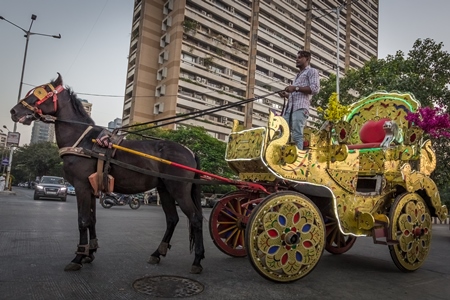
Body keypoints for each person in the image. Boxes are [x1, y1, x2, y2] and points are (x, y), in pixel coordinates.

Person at [278, 50, 320, 150]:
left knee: (297, 134)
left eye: (300, 57)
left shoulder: (312, 71)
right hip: (290, 109)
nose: (297, 59)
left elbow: (315, 89)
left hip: (300, 108)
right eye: (297, 57)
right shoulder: (297, 76)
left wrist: (295, 88)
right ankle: (282, 157)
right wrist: (287, 95)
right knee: (283, 133)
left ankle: (299, 160)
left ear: (307, 59)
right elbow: (297, 95)